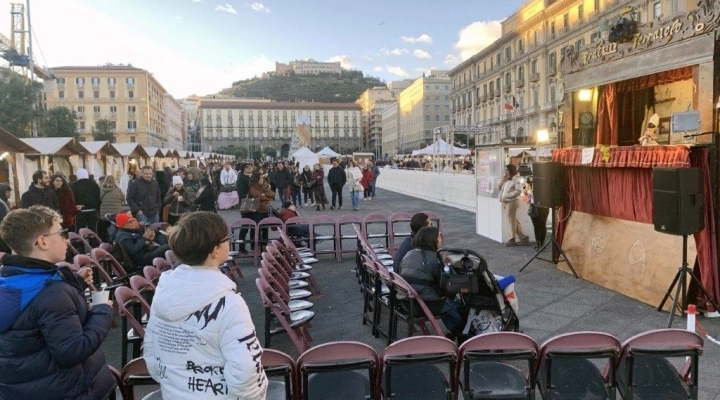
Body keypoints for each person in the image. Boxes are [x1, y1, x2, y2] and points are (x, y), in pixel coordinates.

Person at [143, 212, 268, 400]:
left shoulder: (164, 292)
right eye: (227, 238)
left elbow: (152, 353)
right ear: (214, 250)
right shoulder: (229, 303)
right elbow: (245, 369)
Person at [0, 206, 116, 399]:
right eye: (61, 232)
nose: (67, 239)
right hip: (70, 391)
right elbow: (73, 350)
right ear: (43, 241)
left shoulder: (10, 281)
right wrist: (102, 310)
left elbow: (32, 316)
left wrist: (75, 282)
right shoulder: (51, 293)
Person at [399, 226, 463, 336]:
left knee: (446, 302)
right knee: (456, 305)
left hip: (407, 301)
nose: (441, 238)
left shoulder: (410, 253)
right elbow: (445, 285)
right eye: (439, 236)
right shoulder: (434, 258)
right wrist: (448, 267)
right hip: (424, 305)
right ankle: (464, 335)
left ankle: (455, 334)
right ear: (432, 239)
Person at [499, 164, 529, 246]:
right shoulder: (508, 179)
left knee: (511, 221)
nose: (506, 172)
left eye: (507, 170)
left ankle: (512, 239)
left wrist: (507, 196)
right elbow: (499, 187)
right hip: (507, 201)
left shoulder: (517, 178)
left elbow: (518, 191)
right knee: (513, 220)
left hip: (512, 201)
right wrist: (503, 179)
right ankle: (524, 237)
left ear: (511, 170)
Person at [523, 177, 550, 251]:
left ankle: (538, 243)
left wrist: (527, 184)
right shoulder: (544, 182)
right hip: (543, 206)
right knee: (542, 225)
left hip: (535, 207)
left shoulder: (530, 184)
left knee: (537, 226)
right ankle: (541, 243)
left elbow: (525, 195)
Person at [248, 172, 276, 243]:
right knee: (257, 228)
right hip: (257, 210)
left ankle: (264, 245)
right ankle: (255, 245)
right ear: (256, 179)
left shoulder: (264, 185)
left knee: (265, 228)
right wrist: (268, 198)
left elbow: (273, 194)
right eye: (260, 178)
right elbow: (257, 196)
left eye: (262, 178)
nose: (262, 179)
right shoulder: (252, 186)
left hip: (266, 210)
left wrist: (265, 194)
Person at [72, 168, 101, 233]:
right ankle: (93, 242)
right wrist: (97, 209)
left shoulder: (75, 185)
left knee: (79, 228)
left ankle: (79, 242)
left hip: (80, 210)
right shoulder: (94, 184)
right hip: (92, 210)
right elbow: (97, 197)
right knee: (92, 230)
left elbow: (73, 198)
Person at [98, 175, 125, 242]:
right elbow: (122, 199)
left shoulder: (101, 189)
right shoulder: (118, 190)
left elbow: (98, 199)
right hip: (115, 213)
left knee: (103, 229)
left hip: (103, 213)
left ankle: (103, 243)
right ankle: (113, 241)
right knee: (115, 228)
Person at [235, 163, 255, 254]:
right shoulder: (241, 178)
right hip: (245, 202)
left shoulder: (254, 176)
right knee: (245, 225)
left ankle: (253, 244)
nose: (249, 168)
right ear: (243, 169)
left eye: (250, 166)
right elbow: (240, 192)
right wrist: (247, 198)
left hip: (254, 201)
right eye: (247, 167)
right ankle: (241, 247)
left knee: (254, 225)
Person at [0, 184, 12, 253]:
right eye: (8, 192)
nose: (10, 193)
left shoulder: (3, 202)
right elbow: (3, 219)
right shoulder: (1, 203)